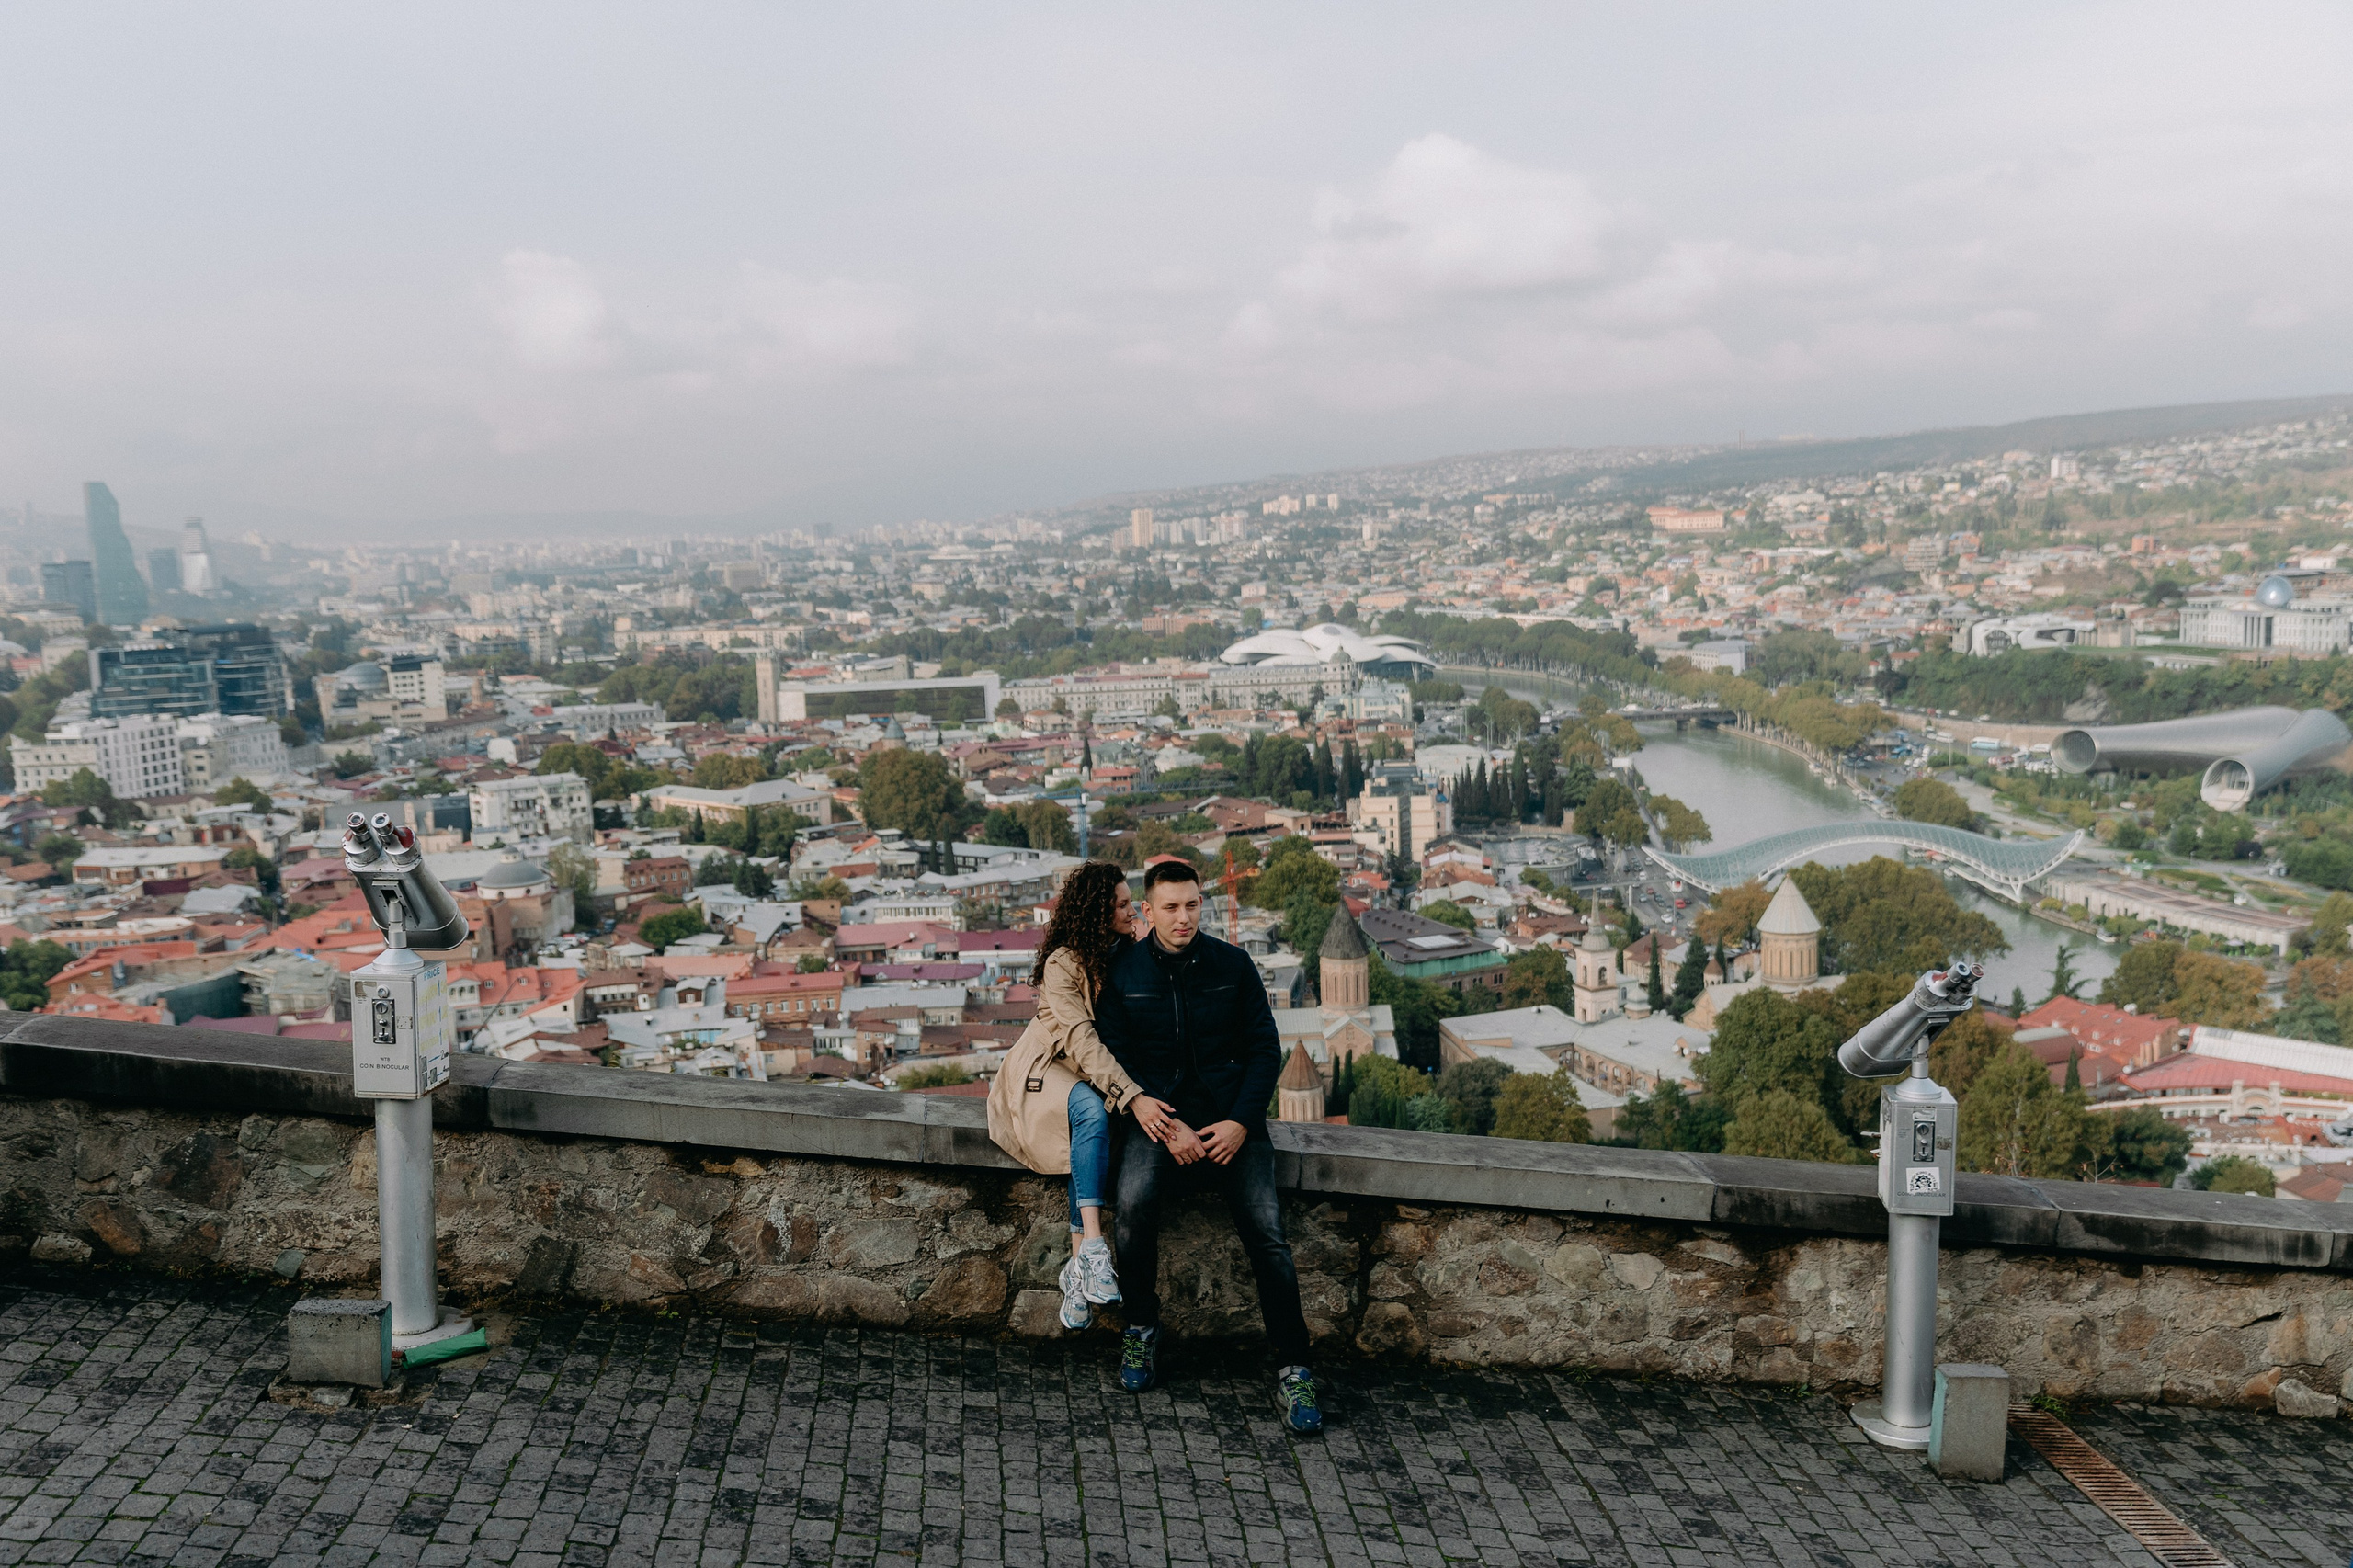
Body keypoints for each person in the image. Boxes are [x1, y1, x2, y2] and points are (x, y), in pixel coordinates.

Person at [1093, 857, 1324, 1435]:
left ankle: (1295, 1368)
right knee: (1134, 1207)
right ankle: (1141, 1330)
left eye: (1192, 904)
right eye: (1169, 907)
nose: (1183, 917)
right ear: (1147, 911)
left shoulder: (1234, 964)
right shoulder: (1123, 974)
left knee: (1268, 1233)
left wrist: (1242, 1123)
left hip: (1232, 1125)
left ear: (1203, 904)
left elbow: (1265, 1052)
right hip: (1156, 1122)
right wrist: (1172, 1130)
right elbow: (1115, 1060)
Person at [985, 861, 1178, 1331]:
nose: (1132, 910)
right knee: (1091, 1111)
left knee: (1086, 1132)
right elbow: (1081, 1042)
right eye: (1122, 903)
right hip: (1047, 1067)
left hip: (1092, 1073)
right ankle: (1093, 1246)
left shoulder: (1126, 953)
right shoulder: (1062, 963)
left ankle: (1077, 1274)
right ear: (1097, 910)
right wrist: (1133, 1096)